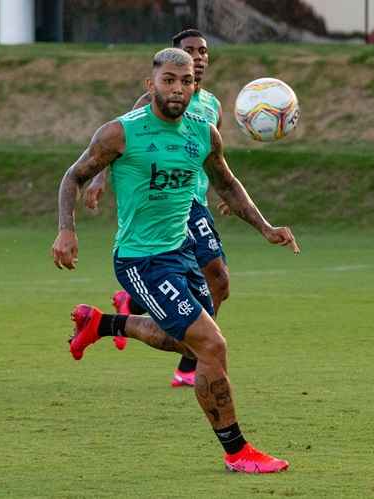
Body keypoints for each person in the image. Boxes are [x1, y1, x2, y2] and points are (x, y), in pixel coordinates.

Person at [52, 47, 299, 473]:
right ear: (151, 86)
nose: (178, 89)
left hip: (181, 253)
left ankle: (103, 324)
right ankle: (238, 452)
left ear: (194, 86)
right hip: (141, 260)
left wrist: (265, 227)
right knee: (212, 345)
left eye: (186, 82)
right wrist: (66, 230)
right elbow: (73, 175)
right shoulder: (120, 133)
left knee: (184, 342)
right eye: (169, 80)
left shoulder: (203, 133)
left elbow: (227, 184)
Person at [84, 29, 230, 388]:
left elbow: (215, 162)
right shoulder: (149, 104)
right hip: (171, 211)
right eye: (189, 51)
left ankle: (132, 306)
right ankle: (190, 361)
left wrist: (226, 193)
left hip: (194, 202)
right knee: (217, 278)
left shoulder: (210, 107)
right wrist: (100, 179)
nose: (197, 57)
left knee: (217, 286)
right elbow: (119, 144)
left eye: (202, 51)